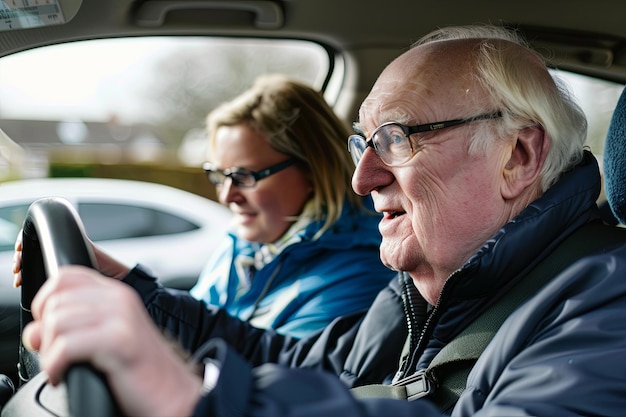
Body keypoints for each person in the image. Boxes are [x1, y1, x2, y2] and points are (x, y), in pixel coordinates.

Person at [14, 24, 626, 417]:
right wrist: (133, 293)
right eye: (363, 145)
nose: (363, 179)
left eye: (396, 140)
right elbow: (288, 360)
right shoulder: (419, 294)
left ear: (517, 156)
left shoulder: (607, 308)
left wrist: (196, 400)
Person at [189, 74, 396, 338]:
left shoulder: (359, 276)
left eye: (244, 176)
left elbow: (268, 374)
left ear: (312, 170)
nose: (227, 196)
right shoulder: (243, 245)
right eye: (219, 176)